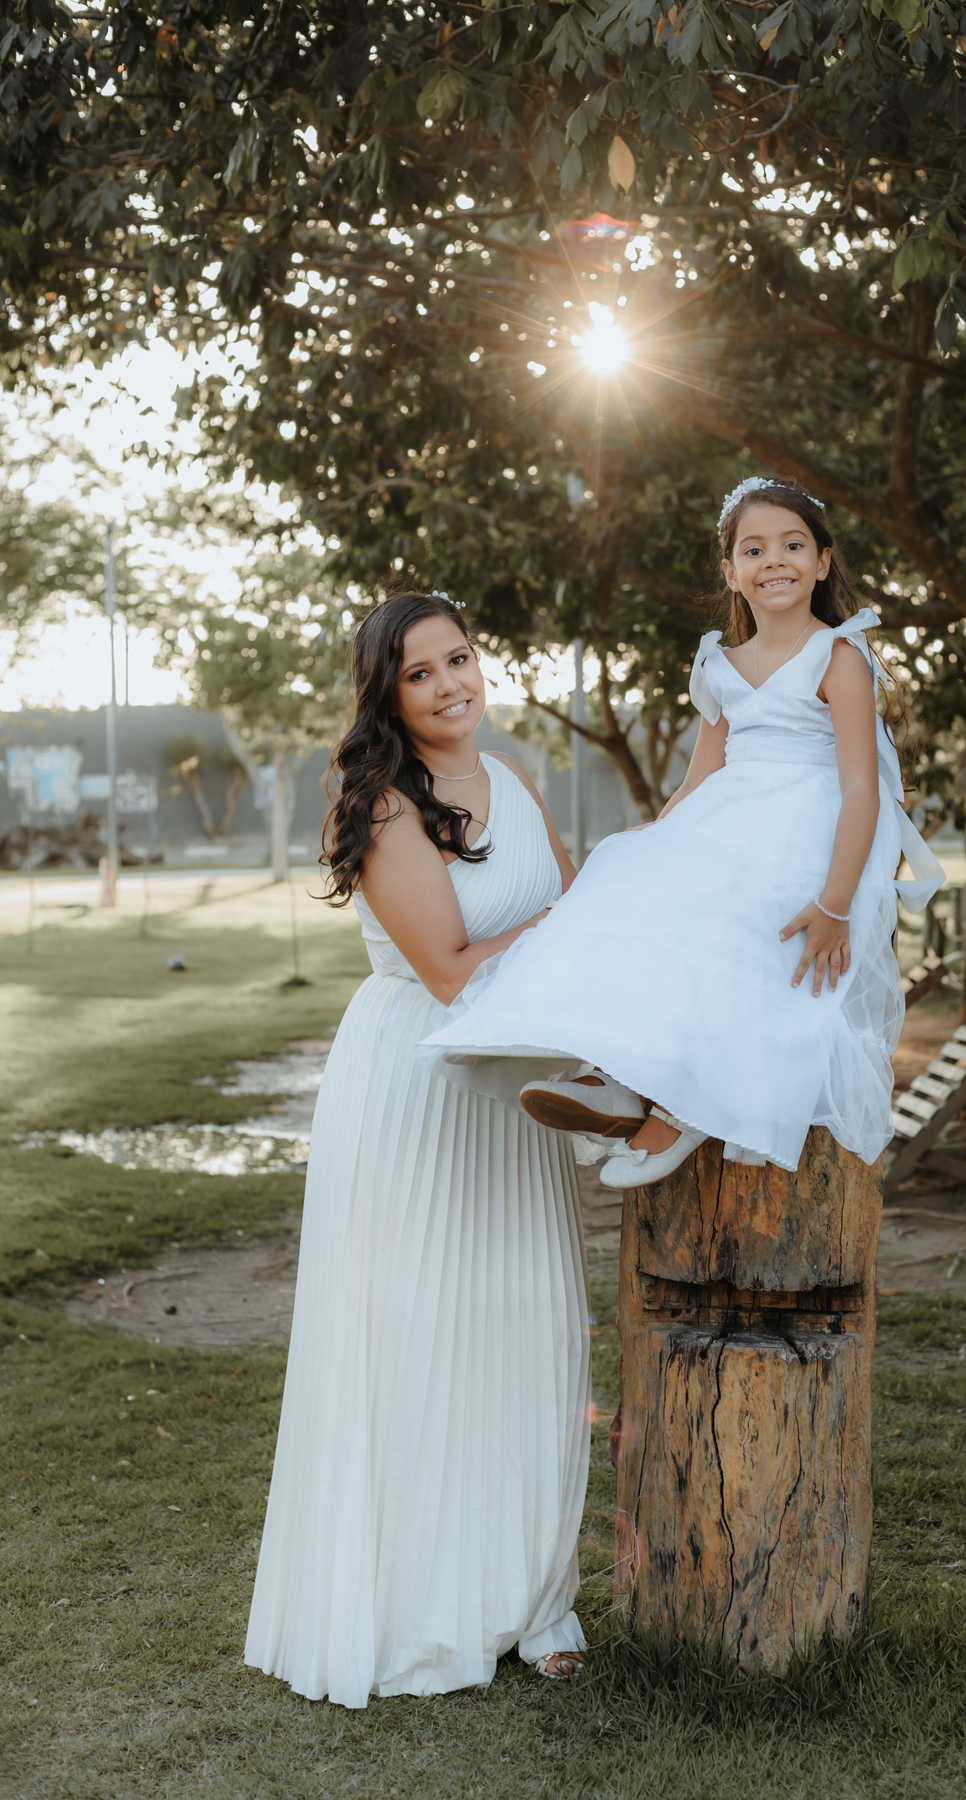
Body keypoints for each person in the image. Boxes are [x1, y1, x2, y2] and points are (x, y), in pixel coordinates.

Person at [245, 589, 592, 1707]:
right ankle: (418, 1606)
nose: (451, 685)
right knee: (422, 1339)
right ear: (389, 697)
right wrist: (583, 922)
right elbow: (451, 971)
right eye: (421, 673)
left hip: (512, 1102)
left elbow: (580, 920)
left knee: (527, 1330)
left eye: (460, 659)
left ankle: (534, 1598)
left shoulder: (515, 781)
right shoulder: (388, 808)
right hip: (421, 1091)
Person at [420, 477, 943, 1186]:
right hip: (732, 813)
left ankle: (684, 1107)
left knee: (741, 933)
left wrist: (836, 903)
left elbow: (861, 787)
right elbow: (699, 780)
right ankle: (614, 1077)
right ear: (731, 572)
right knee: (628, 884)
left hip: (811, 827)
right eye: (753, 550)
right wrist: (652, 847)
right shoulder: (722, 664)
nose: (774, 560)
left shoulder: (838, 655)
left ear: (822, 561)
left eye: (793, 545)